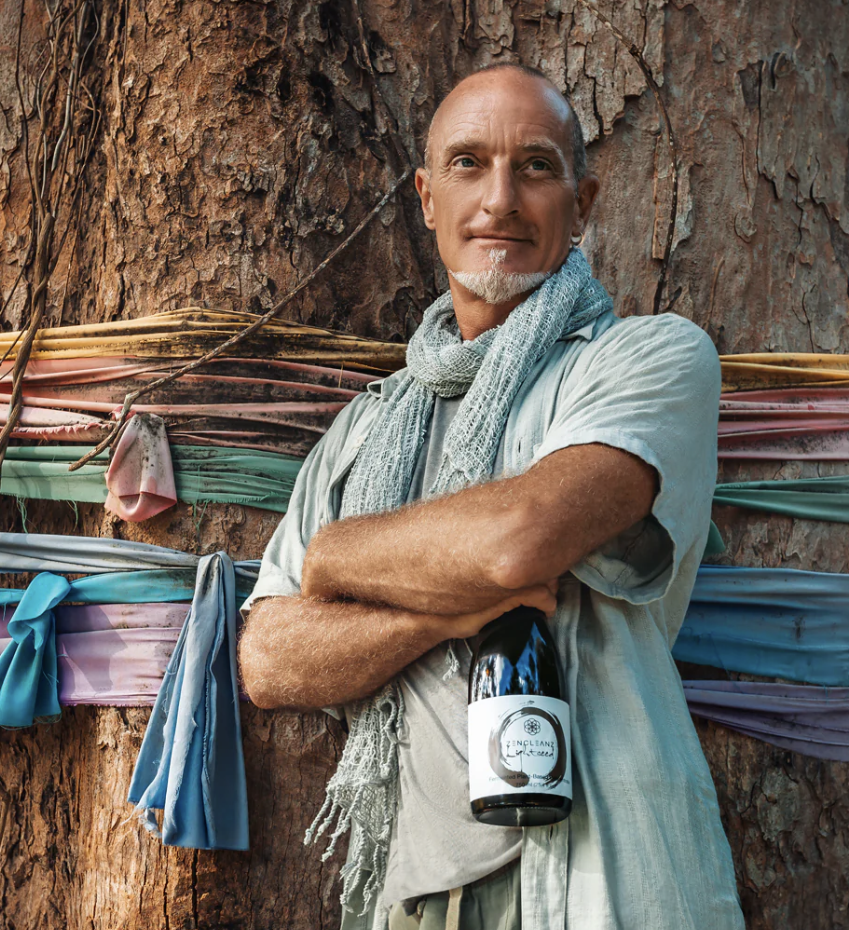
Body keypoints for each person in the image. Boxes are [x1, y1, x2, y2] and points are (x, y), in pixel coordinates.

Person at [238, 62, 745, 930]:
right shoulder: (366, 429)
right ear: (428, 199)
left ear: (582, 202)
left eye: (536, 168)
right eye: (469, 164)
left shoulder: (648, 361)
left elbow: (521, 538)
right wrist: (443, 615)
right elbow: (269, 659)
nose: (500, 200)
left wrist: (341, 558)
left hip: (597, 880)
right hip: (413, 897)